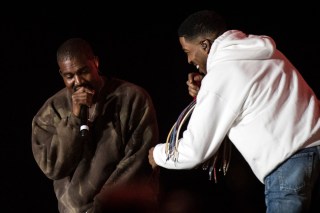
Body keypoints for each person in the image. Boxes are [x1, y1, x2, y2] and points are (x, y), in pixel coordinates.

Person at [149, 10, 320, 212]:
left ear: (205, 45)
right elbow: (249, 94)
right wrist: (206, 90)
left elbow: (195, 151)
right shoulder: (260, 51)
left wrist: (158, 155)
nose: (189, 60)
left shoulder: (222, 74)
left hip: (289, 162)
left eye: (188, 51)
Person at [31, 37, 159, 213]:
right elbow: (52, 167)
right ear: (61, 74)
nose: (78, 81)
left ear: (96, 63)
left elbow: (138, 159)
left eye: (83, 71)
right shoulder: (52, 110)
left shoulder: (132, 98)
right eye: (69, 76)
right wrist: (74, 119)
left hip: (120, 207)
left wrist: (102, 205)